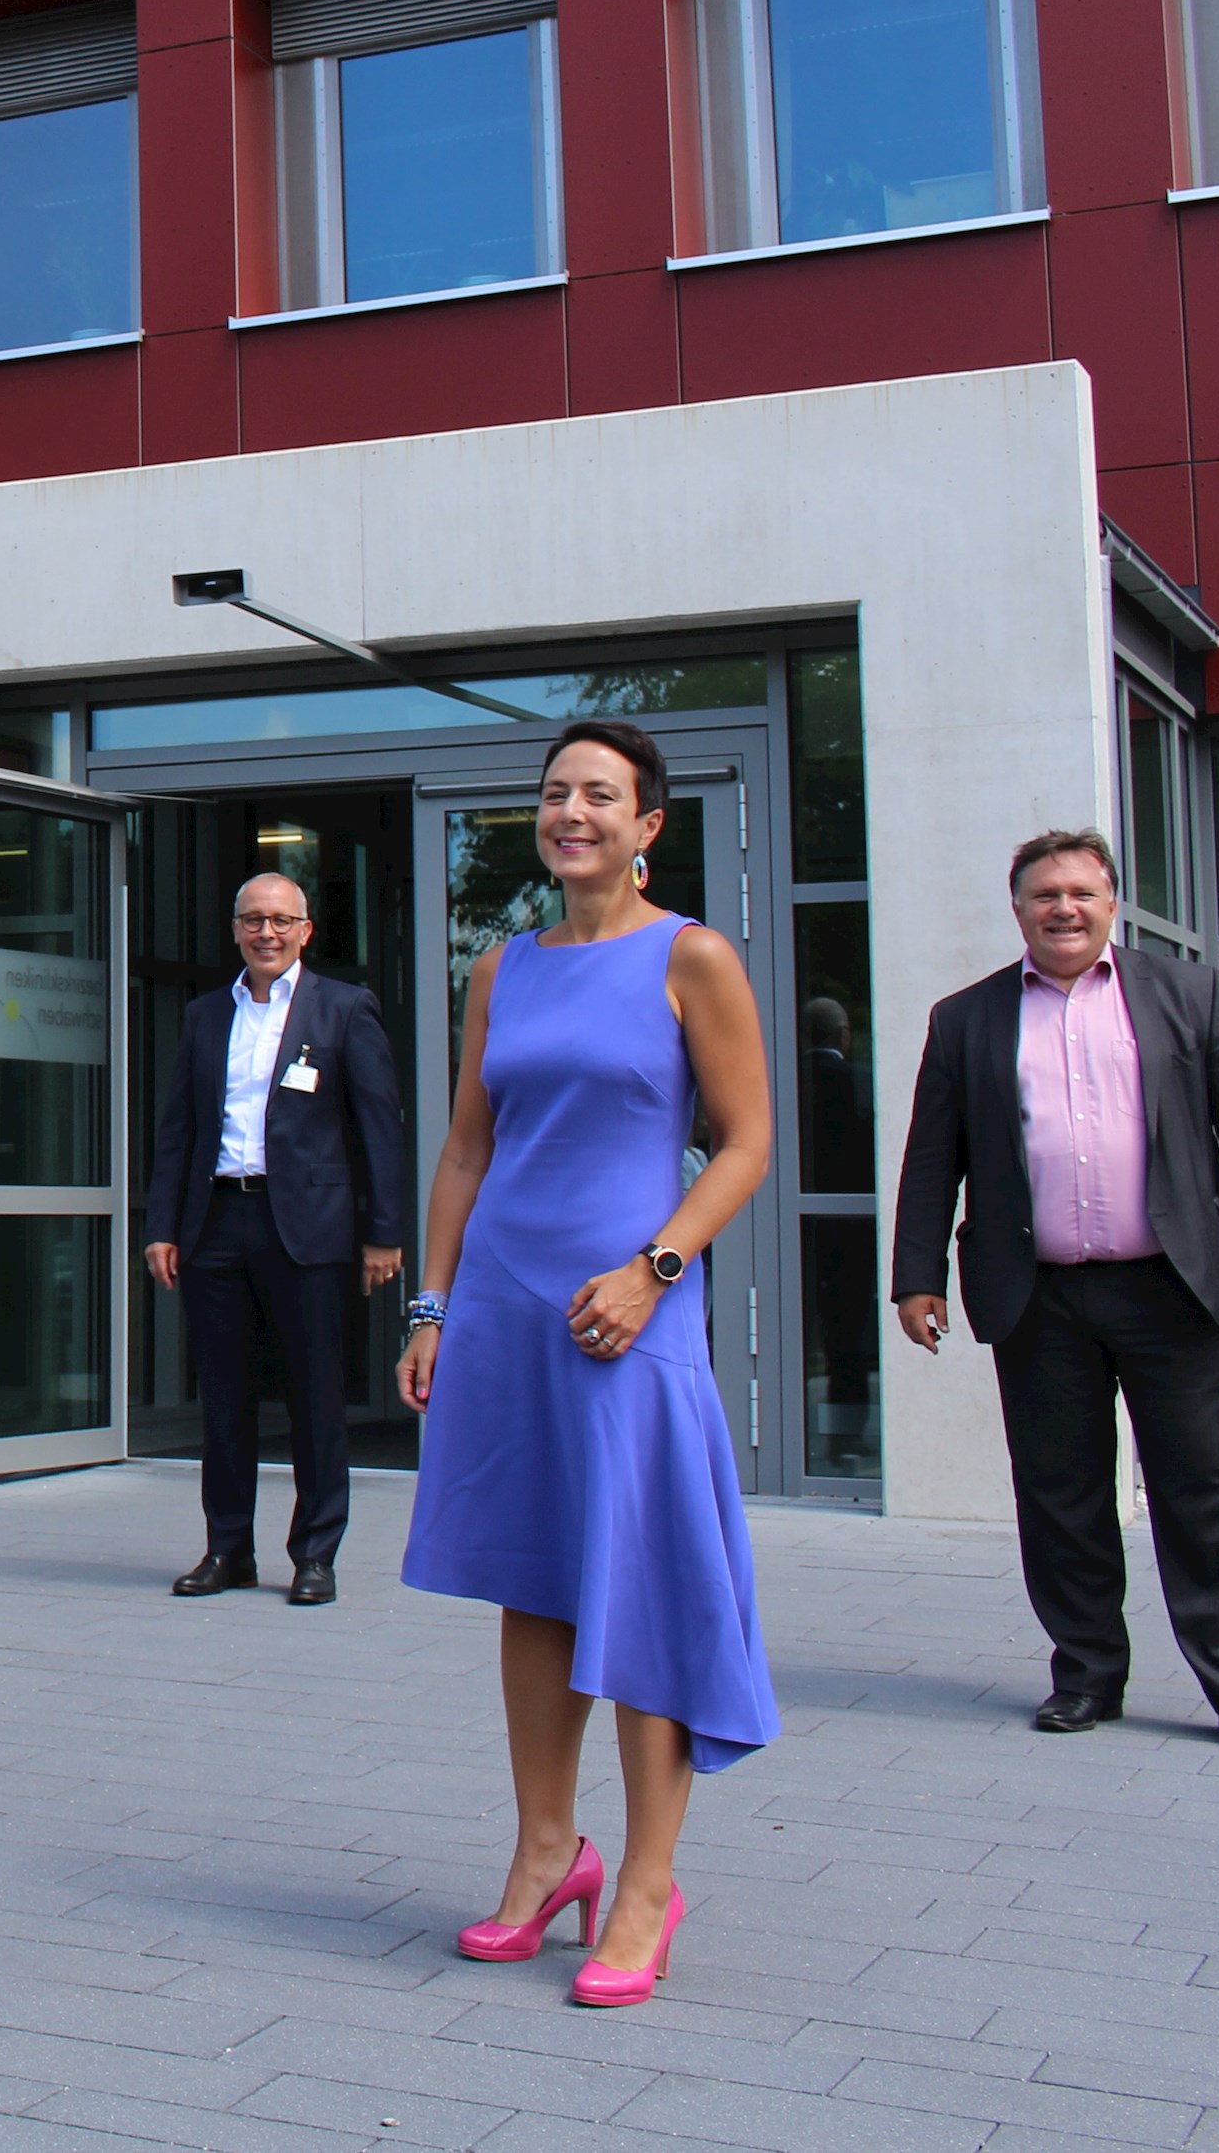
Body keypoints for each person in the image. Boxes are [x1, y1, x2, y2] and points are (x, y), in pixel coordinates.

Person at [399, 721, 777, 2008]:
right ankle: (546, 1853)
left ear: (647, 823)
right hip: (504, 1310)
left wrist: (655, 1268)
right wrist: (432, 1303)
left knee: (640, 1587)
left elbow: (744, 1143)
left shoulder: (693, 956)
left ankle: (647, 1887)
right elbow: (464, 1149)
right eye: (555, 793)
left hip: (628, 1311)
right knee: (534, 1581)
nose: (572, 812)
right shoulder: (501, 966)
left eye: (599, 795)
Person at [893, 829, 1219, 1756]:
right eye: (1044, 894)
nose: (1064, 908)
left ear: (1111, 902)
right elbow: (933, 1158)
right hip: (1037, 1298)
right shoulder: (965, 1018)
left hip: (1172, 1288)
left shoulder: (1186, 994)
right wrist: (917, 1276)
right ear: (1018, 910)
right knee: (1059, 1493)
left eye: (1082, 892)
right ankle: (1085, 1674)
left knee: (1203, 1494)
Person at [142, 870, 408, 1607]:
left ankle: (315, 1554)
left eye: (281, 921)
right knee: (224, 1398)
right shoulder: (203, 1017)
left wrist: (384, 1232)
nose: (266, 933)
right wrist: (162, 1225)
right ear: (235, 929)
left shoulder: (345, 1010)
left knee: (315, 1396)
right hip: (216, 1222)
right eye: (253, 920)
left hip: (309, 1229)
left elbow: (380, 1130)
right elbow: (178, 1132)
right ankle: (228, 1550)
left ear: (306, 929)